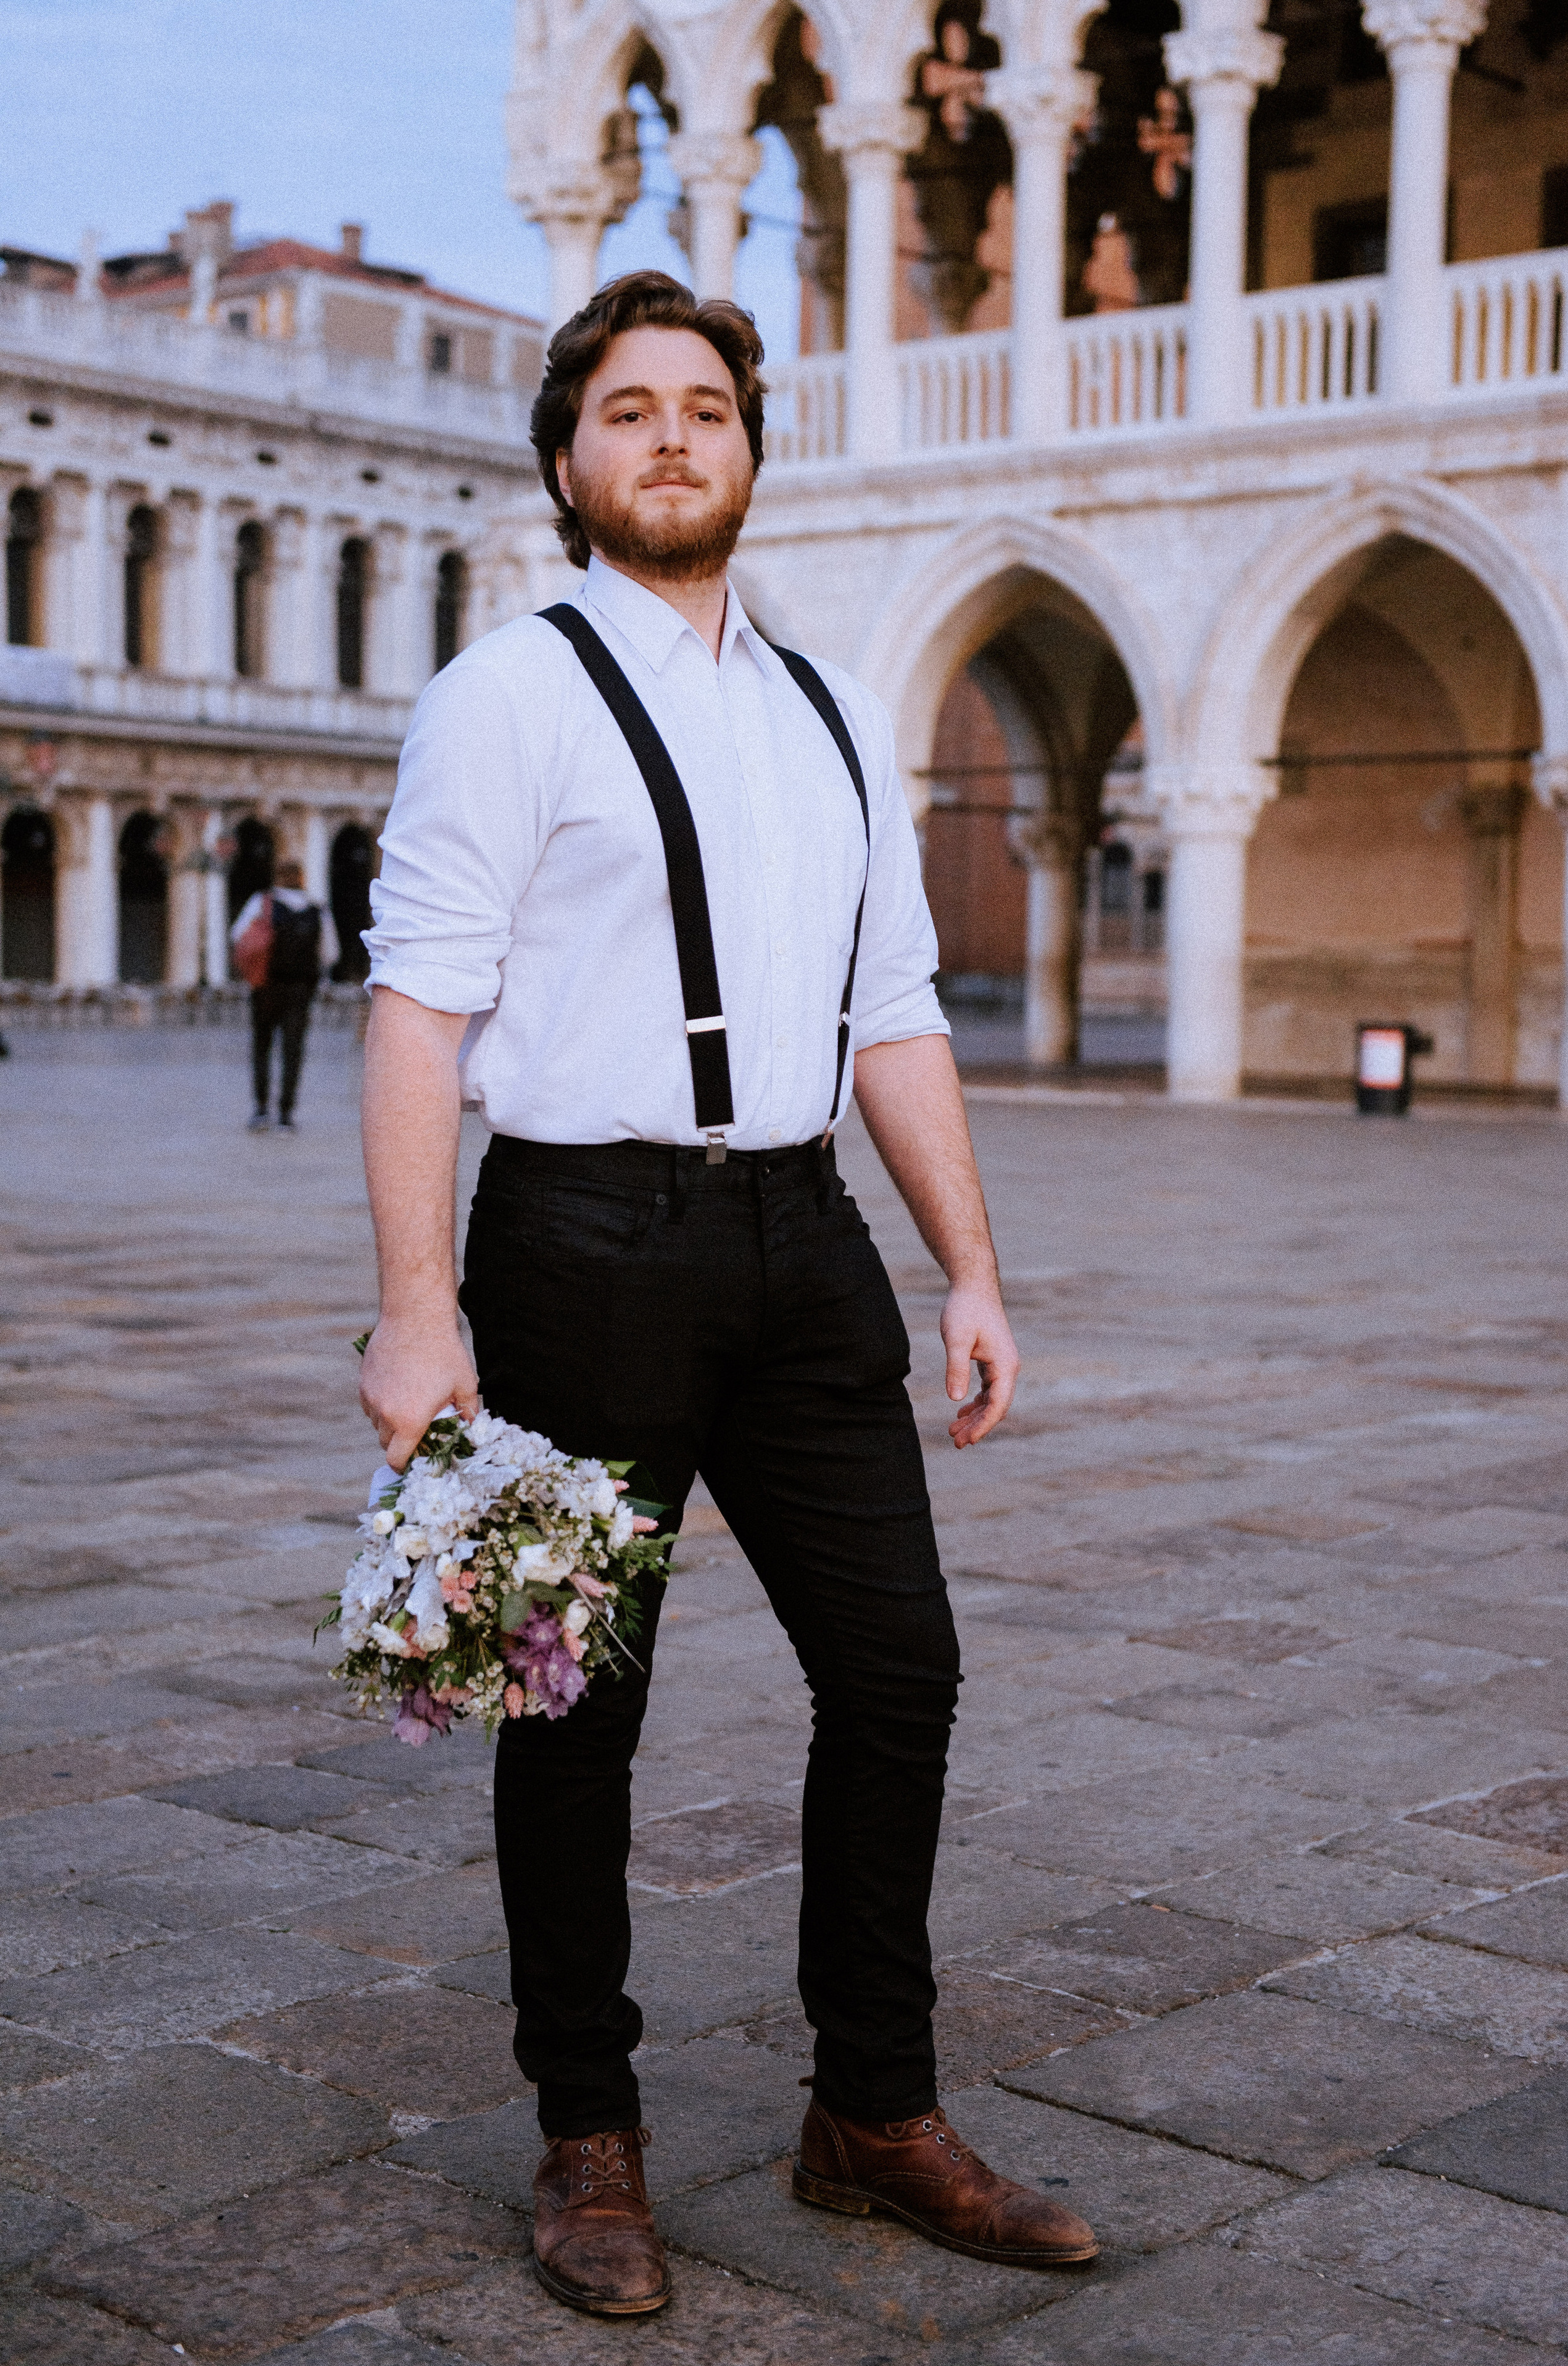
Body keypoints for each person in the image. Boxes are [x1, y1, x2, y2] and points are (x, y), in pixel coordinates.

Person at [358, 270, 1098, 2320]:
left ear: (754, 449)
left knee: (903, 1672)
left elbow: (892, 1010)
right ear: (570, 461)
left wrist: (971, 1266)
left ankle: (874, 2109)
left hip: (799, 1239)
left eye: (707, 405)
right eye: (628, 409)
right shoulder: (496, 695)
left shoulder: (840, 708)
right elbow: (418, 1017)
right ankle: (583, 2136)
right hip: (565, 1239)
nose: (674, 434)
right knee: (552, 1692)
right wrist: (414, 1314)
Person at [231, 859, 339, 1132]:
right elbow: (331, 953)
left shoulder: (262, 902)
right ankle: (286, 1114)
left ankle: (261, 1110)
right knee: (293, 1051)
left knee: (262, 1048)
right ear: (302, 878)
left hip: (266, 986)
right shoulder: (318, 909)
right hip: (301, 989)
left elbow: (238, 935)